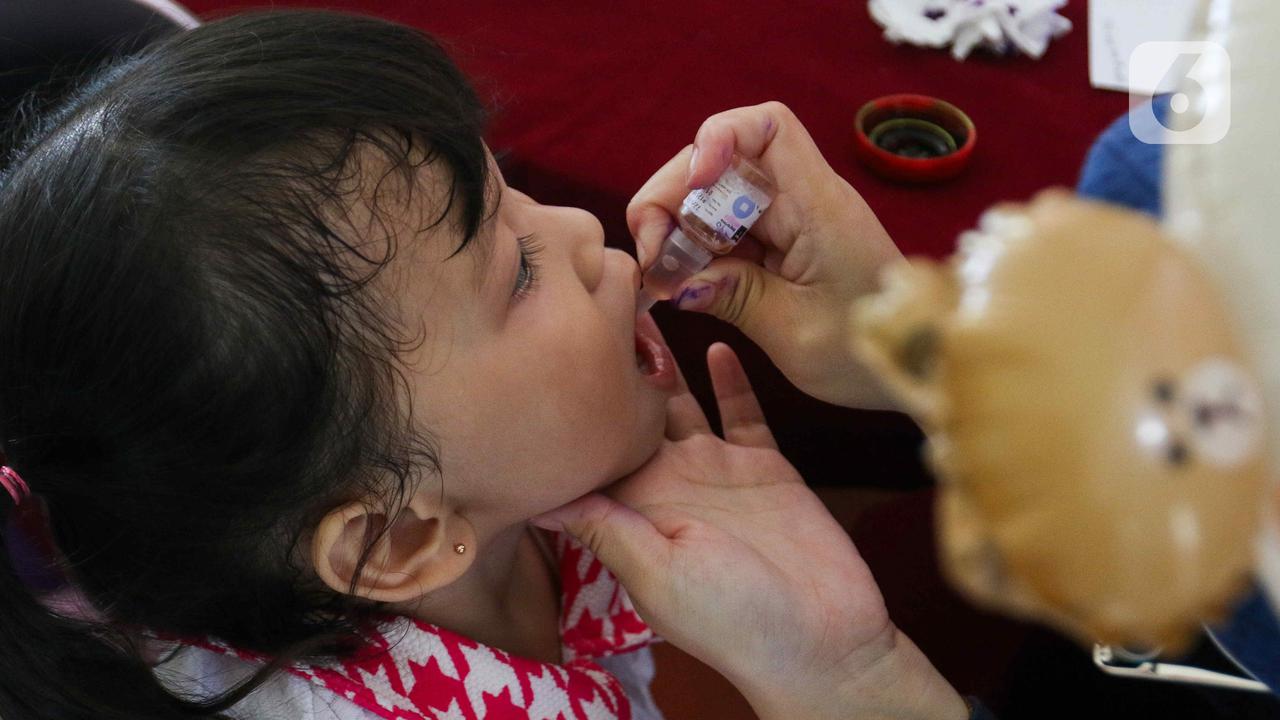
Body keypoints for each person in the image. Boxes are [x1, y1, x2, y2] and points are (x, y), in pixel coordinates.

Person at [0, 9, 690, 719]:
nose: (579, 228)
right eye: (518, 272)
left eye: (508, 191)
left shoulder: (494, 488)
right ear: (393, 538)